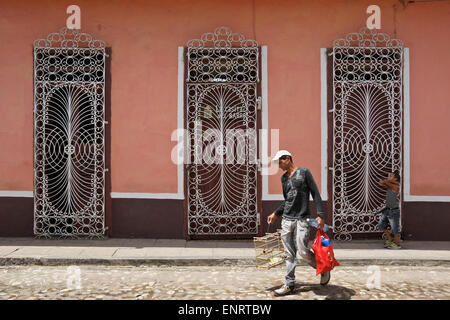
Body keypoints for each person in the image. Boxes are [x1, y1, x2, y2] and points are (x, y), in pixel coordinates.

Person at [267, 150, 330, 296]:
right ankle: (289, 284)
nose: (279, 166)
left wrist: (321, 215)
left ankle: (323, 268)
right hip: (287, 220)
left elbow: (315, 193)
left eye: (280, 162)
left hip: (302, 219)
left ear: (288, 159)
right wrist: (276, 213)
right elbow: (287, 200)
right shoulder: (284, 179)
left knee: (302, 251)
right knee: (290, 254)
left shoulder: (304, 172)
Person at [378, 171, 402, 249]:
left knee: (395, 229)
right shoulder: (390, 185)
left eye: (390, 176)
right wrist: (389, 180)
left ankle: (397, 245)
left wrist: (389, 181)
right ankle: (390, 239)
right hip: (387, 210)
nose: (389, 177)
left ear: (395, 178)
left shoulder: (396, 186)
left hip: (394, 211)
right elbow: (381, 183)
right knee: (381, 225)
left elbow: (384, 181)